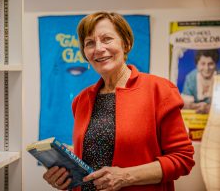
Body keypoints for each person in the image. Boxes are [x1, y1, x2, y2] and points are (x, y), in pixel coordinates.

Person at [43, 11, 195, 191]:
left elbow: (182, 158)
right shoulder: (81, 100)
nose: (98, 48)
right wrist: (66, 175)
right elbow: (96, 152)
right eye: (90, 43)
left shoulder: (159, 90)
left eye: (107, 39)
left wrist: (125, 176)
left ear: (126, 43)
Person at [182, 49, 220, 114]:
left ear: (215, 65)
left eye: (210, 64)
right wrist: (197, 106)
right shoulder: (191, 78)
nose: (206, 68)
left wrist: (208, 108)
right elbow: (185, 104)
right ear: (197, 65)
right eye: (203, 64)